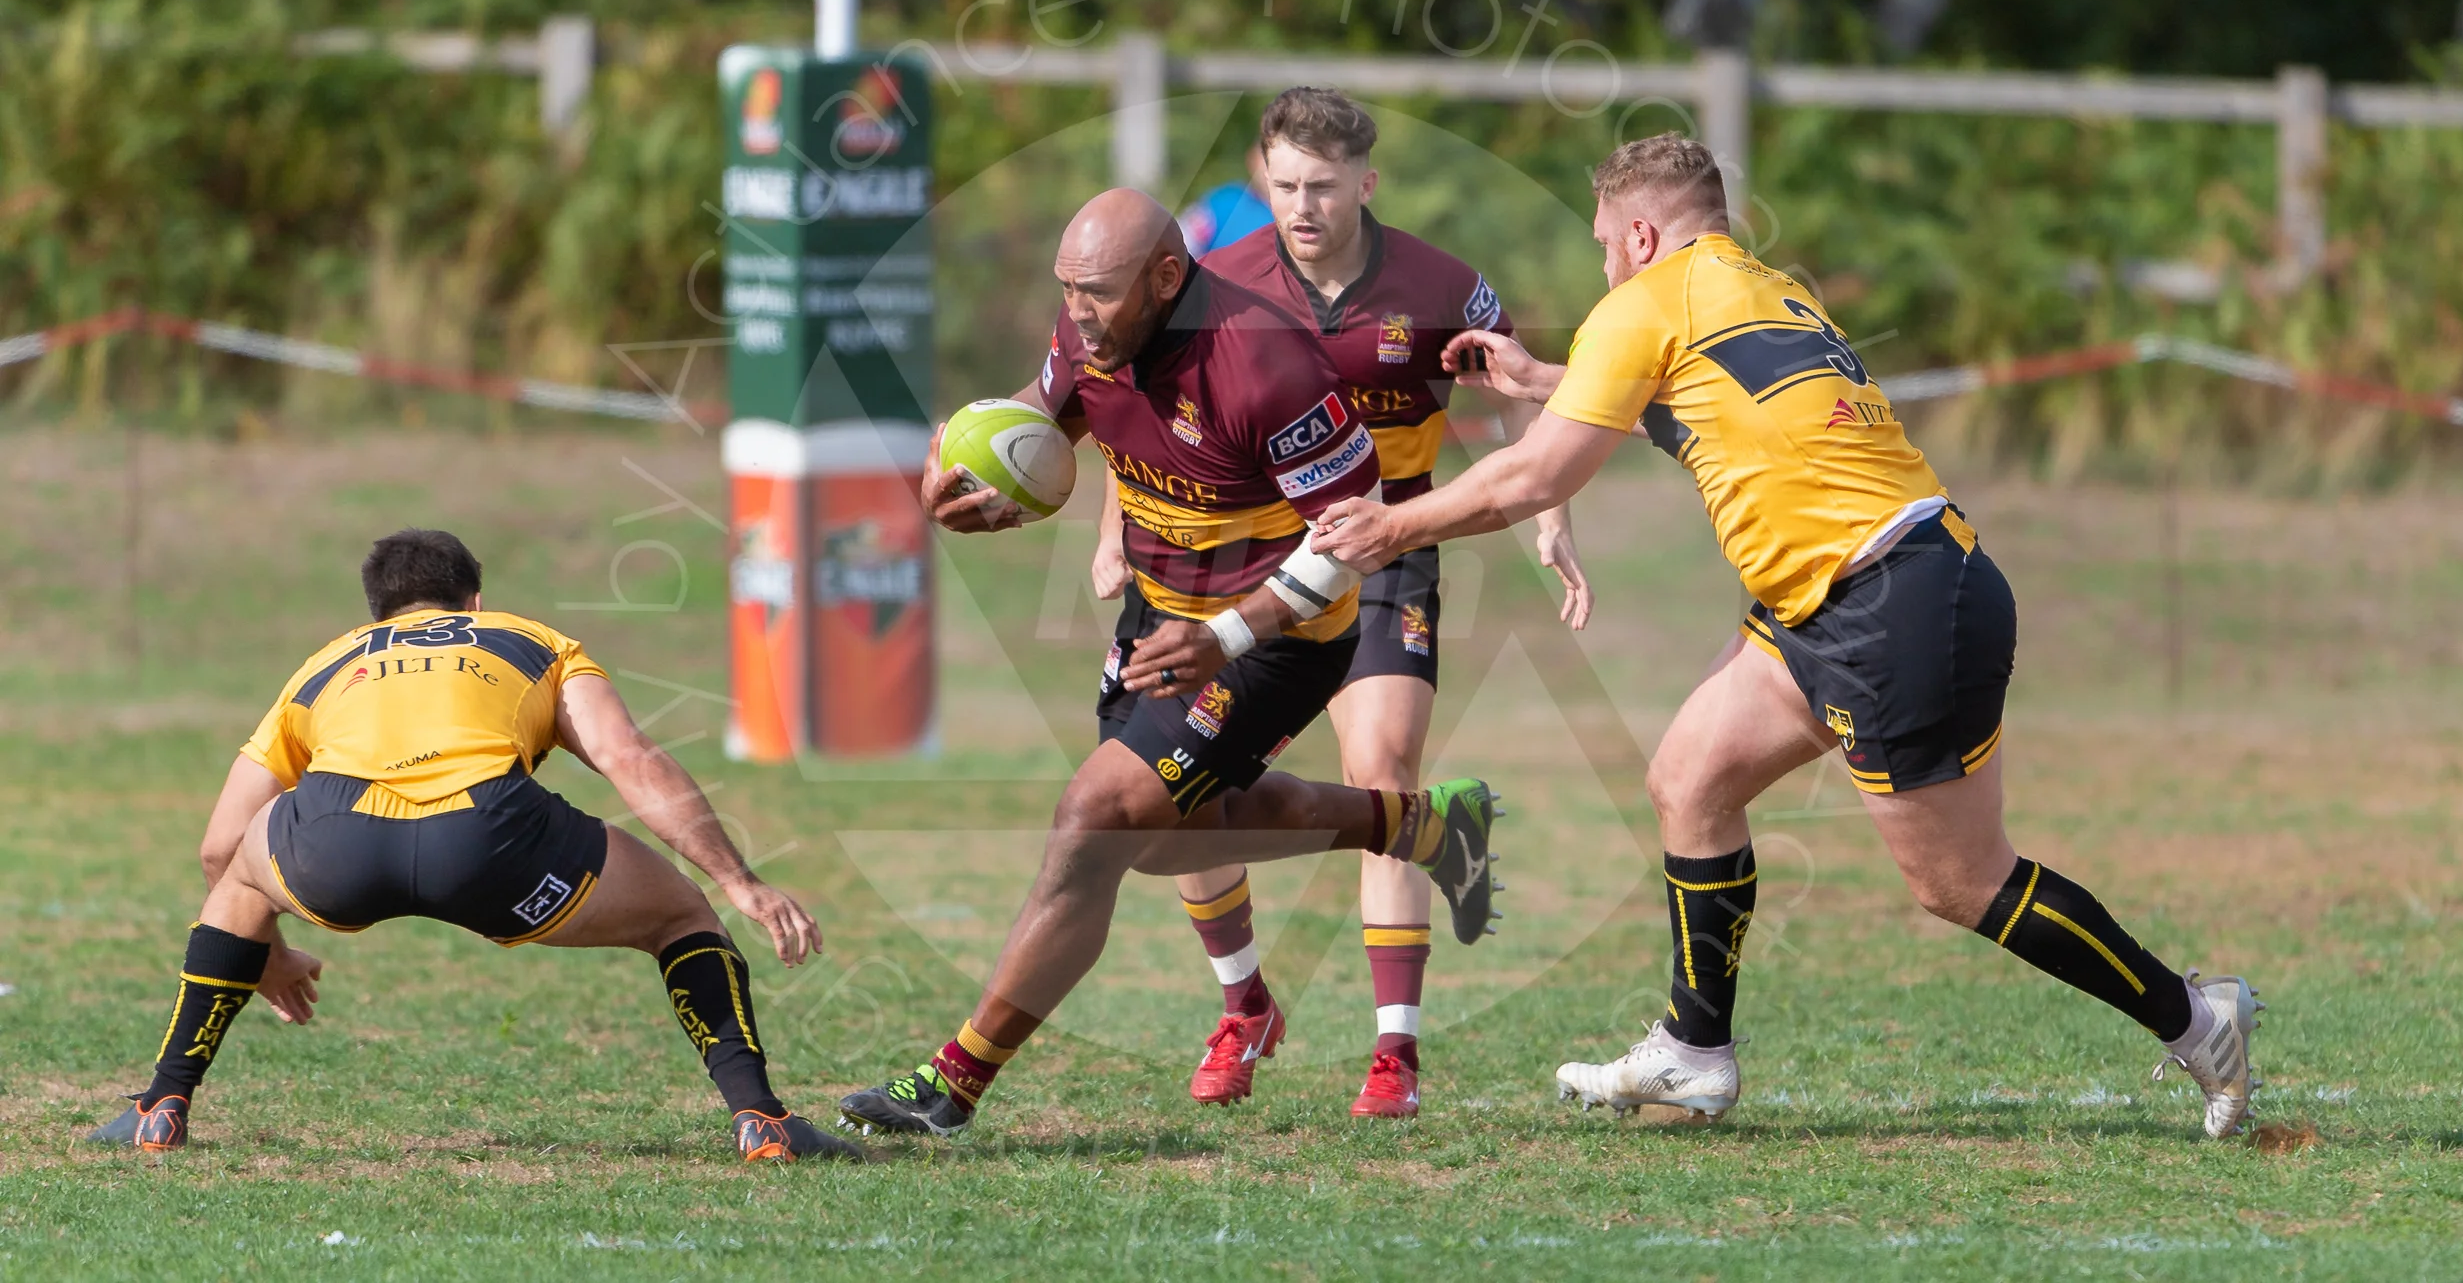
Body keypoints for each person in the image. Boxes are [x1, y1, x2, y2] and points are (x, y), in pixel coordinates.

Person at [1312, 134, 2264, 1139]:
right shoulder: (1762, 289)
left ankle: (2197, 1019)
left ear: (1639, 232)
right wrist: (1550, 376)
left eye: (1603, 244)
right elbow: (1692, 415)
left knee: (1959, 880)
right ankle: (1692, 1052)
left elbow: (1532, 478)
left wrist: (1391, 525)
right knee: (1689, 778)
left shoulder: (1643, 300)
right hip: (1863, 590)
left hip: (1886, 603)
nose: (1602, 264)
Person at [835, 189, 1508, 1139]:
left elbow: (1354, 539)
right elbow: (1041, 416)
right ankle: (1420, 827)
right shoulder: (1089, 335)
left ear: (1163, 277)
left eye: (1098, 293)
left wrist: (1229, 634)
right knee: (1160, 841)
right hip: (1160, 616)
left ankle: (953, 1083)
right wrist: (981, 481)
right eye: (1066, 291)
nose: (1077, 312)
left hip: (1278, 637)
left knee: (1094, 820)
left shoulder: (1266, 360)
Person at [1091, 87, 1586, 1120]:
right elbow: (1141, 409)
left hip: (1390, 553)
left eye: (1322, 187)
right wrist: (1111, 533)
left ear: (1366, 182)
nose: (1302, 206)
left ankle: (1393, 1051)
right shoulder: (1214, 282)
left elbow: (1522, 395)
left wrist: (1550, 511)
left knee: (1381, 773)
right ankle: (1245, 1006)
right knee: (1181, 793)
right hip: (1244, 564)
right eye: (1282, 186)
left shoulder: (1444, 285)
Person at [85, 529, 856, 1161]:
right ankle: (761, 1120)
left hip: (334, 848)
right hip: (491, 844)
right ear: (476, 601)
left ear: (377, 613)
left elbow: (220, 845)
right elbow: (630, 760)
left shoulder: (322, 666)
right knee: (682, 918)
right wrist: (739, 881)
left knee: (243, 876)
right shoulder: (533, 641)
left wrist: (271, 957)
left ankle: (162, 1104)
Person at [1178, 143, 1274, 258]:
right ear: (1252, 159)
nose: (1271, 168)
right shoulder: (1222, 203)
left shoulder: (1297, 211)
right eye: (1266, 158)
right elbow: (1180, 244)